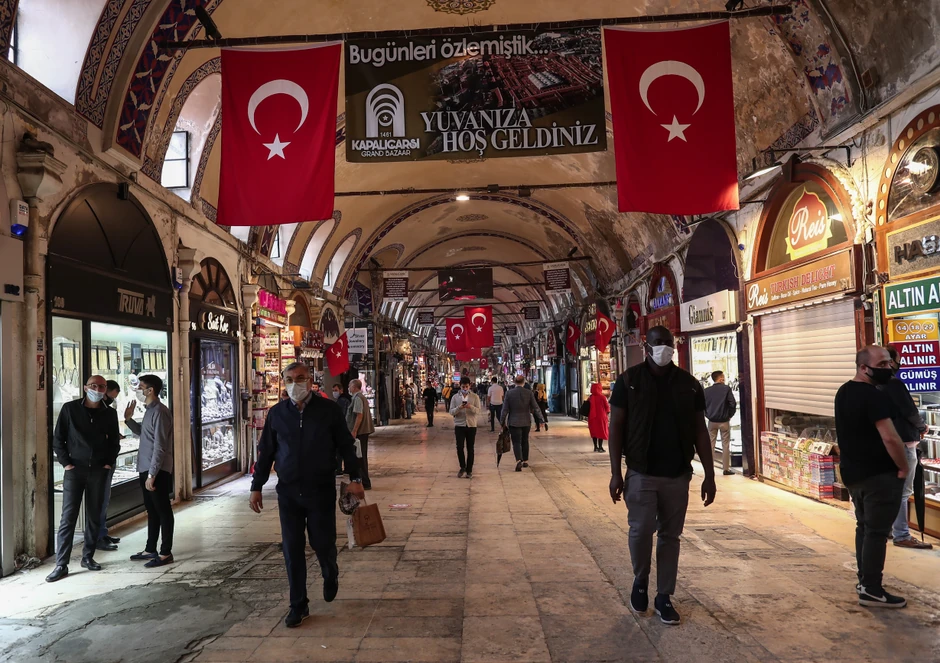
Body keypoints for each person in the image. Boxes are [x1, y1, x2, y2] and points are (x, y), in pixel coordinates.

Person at [608, 326, 716, 626]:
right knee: (640, 530)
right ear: (647, 346)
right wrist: (616, 473)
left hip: (678, 474)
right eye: (658, 343)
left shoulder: (689, 385)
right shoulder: (629, 382)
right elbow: (615, 427)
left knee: (671, 537)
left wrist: (709, 474)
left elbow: (700, 431)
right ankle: (640, 580)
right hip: (641, 472)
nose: (664, 349)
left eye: (669, 344)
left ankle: (664, 596)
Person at [249, 362, 365, 628]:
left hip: (320, 489)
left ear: (311, 380)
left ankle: (330, 570)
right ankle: (298, 605)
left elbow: (347, 446)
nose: (294, 384)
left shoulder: (329, 411)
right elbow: (266, 452)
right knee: (292, 549)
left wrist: (356, 479)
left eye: (300, 378)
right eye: (289, 379)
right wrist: (257, 486)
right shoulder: (277, 414)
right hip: (288, 492)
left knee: (322, 543)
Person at [835, 346, 911, 609]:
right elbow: (890, 437)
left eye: (890, 362)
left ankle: (864, 581)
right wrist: (903, 467)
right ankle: (872, 589)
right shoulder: (874, 397)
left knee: (864, 528)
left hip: (854, 474)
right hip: (879, 475)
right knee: (877, 533)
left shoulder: (844, 391)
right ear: (863, 367)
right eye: (882, 363)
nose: (888, 367)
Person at [46, 375, 121, 582]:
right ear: (86, 387)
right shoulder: (70, 409)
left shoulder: (109, 414)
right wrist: (66, 463)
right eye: (94, 386)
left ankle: (88, 557)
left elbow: (114, 441)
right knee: (68, 518)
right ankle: (61, 564)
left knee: (94, 515)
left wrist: (107, 463)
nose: (97, 389)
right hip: (75, 471)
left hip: (98, 470)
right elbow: (58, 439)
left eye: (102, 387)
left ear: (105, 390)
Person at [881, 347, 932, 550]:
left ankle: (889, 528)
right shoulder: (894, 384)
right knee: (903, 491)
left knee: (891, 489)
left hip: (887, 443)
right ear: (891, 362)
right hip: (903, 443)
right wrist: (922, 426)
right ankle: (902, 533)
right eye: (898, 359)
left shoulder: (873, 386)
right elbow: (909, 410)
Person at [123, 374, 175, 568]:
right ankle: (150, 548)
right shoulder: (149, 411)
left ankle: (165, 552)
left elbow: (160, 446)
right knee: (152, 510)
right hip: (146, 467)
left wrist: (152, 474)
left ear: (150, 390)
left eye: (141, 387)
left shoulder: (161, 412)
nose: (138, 390)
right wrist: (128, 420)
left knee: (163, 510)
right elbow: (145, 434)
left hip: (157, 470)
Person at [97, 379, 123, 551]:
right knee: (100, 500)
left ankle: (102, 532)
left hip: (107, 461)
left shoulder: (109, 412)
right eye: (112, 396)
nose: (112, 399)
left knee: (104, 499)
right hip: (99, 463)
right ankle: (98, 536)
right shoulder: (94, 411)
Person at [501, 374, 544, 472]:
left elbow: (505, 409)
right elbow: (536, 407)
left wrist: (502, 421)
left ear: (515, 382)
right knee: (525, 440)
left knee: (516, 442)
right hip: (526, 421)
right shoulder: (529, 393)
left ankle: (518, 460)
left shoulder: (509, 393)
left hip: (513, 421)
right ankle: (525, 460)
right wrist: (541, 419)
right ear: (524, 382)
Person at [704, 371, 737, 476]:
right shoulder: (726, 389)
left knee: (710, 445)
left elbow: (702, 405)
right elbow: (732, 403)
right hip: (724, 421)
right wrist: (729, 415)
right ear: (721, 378)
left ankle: (709, 469)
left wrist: (708, 415)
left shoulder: (706, 391)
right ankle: (726, 469)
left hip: (712, 421)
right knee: (725, 445)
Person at [347, 379, 375, 490]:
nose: (348, 388)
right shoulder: (360, 397)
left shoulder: (357, 398)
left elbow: (359, 415)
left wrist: (354, 430)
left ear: (354, 387)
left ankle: (364, 481)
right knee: (360, 456)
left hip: (360, 432)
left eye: (349, 385)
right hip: (362, 431)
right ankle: (362, 481)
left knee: (360, 457)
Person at [450, 377, 481, 478]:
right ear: (460, 386)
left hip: (471, 425)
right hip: (459, 425)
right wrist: (460, 407)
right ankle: (462, 466)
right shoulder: (455, 397)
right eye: (463, 387)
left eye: (466, 387)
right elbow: (451, 411)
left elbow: (478, 411)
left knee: (470, 448)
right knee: (459, 447)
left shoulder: (475, 397)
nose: (465, 388)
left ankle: (469, 470)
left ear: (469, 386)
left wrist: (470, 407)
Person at [332, 384, 353, 476]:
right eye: (333, 390)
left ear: (341, 390)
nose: (334, 392)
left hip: (343, 427)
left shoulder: (342, 400)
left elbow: (342, 414)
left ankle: (339, 468)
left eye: (335, 390)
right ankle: (347, 468)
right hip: (346, 427)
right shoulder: (347, 398)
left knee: (339, 450)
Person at [588, 383, 609, 453]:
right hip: (601, 417)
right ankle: (600, 447)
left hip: (592, 417)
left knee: (594, 432)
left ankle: (595, 447)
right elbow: (607, 407)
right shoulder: (602, 397)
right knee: (601, 431)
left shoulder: (590, 397)